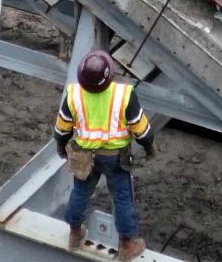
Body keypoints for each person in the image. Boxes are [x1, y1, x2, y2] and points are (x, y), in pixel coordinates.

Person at [54, 49, 153, 261]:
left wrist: (61, 147)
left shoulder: (73, 94)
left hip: (84, 156)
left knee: (80, 192)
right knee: (122, 197)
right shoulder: (124, 95)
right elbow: (142, 131)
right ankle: (127, 244)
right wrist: (149, 147)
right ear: (110, 75)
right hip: (115, 157)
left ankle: (74, 233)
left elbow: (61, 130)